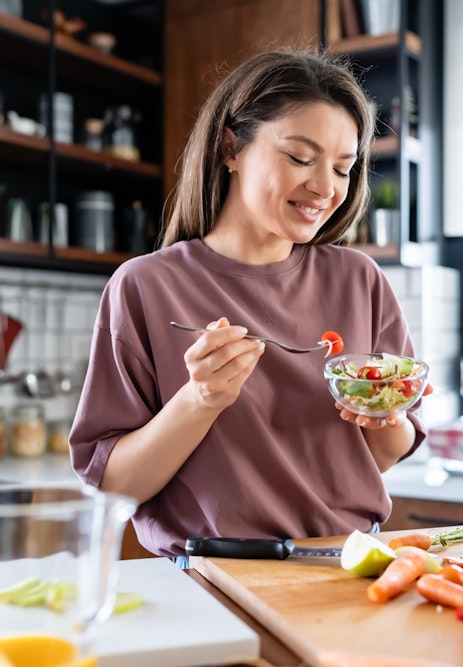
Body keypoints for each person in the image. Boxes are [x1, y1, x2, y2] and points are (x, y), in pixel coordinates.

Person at [69, 48, 430, 559]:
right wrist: (200, 400)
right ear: (230, 148)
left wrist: (386, 413)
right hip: (212, 576)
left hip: (350, 565)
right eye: (300, 158)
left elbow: (385, 456)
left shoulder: (360, 280)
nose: (324, 188)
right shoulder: (146, 286)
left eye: (342, 168)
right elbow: (114, 486)